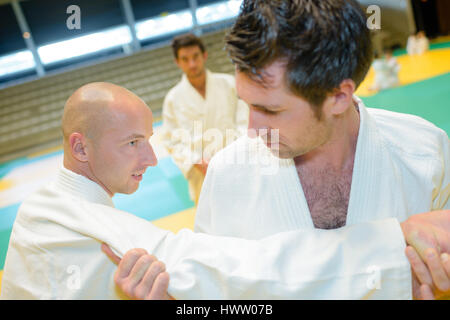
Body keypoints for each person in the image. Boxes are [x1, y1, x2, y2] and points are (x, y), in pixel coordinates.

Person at [1, 82, 448, 300]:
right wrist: (393, 246)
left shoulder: (423, 148)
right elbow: (229, 272)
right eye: (133, 143)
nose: (152, 158)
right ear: (81, 147)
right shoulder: (51, 221)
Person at [160, 33, 249, 204]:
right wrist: (196, 161)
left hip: (237, 162)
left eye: (195, 57)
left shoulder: (229, 84)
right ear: (177, 62)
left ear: (204, 55)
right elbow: (172, 141)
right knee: (214, 224)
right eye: (185, 59)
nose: (192, 64)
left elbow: (244, 121)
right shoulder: (173, 99)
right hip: (202, 172)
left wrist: (235, 154)